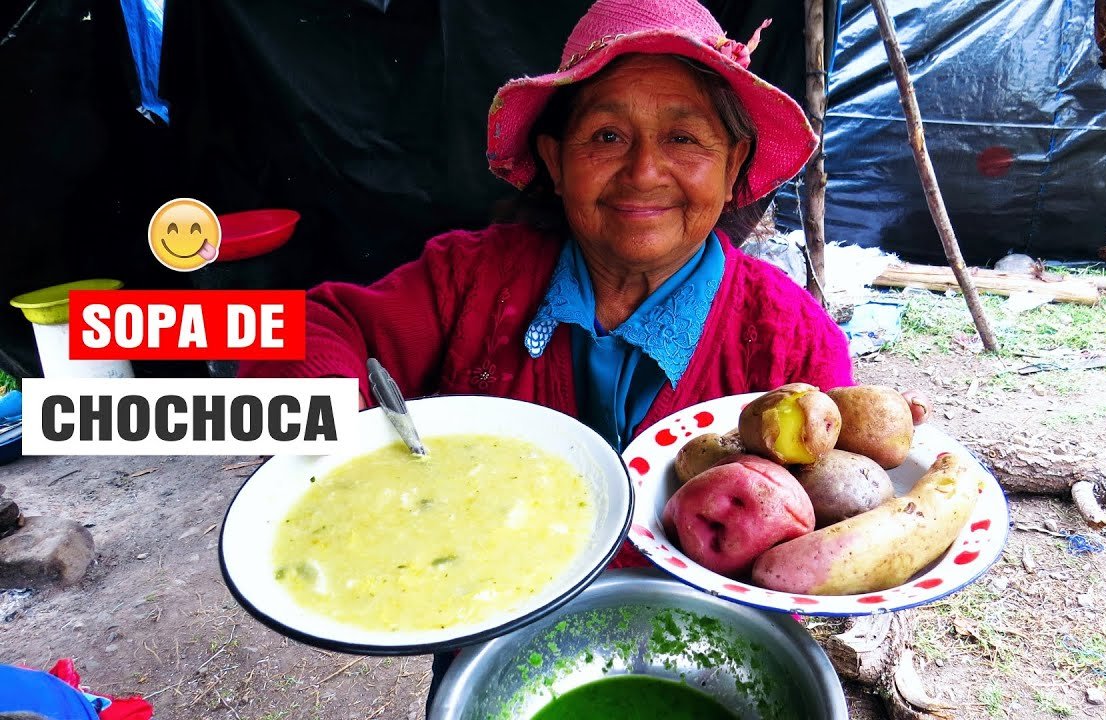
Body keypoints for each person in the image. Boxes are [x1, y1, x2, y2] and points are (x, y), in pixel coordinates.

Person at [238, 0, 925, 708]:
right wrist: (324, 408)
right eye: (605, 135)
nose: (644, 171)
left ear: (734, 165)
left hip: (703, 663)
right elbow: (312, 325)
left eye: (685, 138)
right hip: (488, 640)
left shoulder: (793, 342)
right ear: (555, 162)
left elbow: (826, 531)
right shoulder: (470, 279)